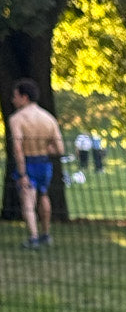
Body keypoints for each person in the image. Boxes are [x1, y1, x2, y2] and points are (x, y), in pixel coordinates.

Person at [9, 79, 65, 248]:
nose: (13, 100)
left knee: (28, 201)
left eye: (15, 96)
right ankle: (46, 234)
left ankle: (33, 237)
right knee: (44, 195)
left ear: (24, 97)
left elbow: (18, 148)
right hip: (44, 162)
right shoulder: (48, 118)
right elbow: (60, 149)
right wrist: (45, 149)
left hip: (28, 162)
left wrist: (23, 173)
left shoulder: (17, 119)